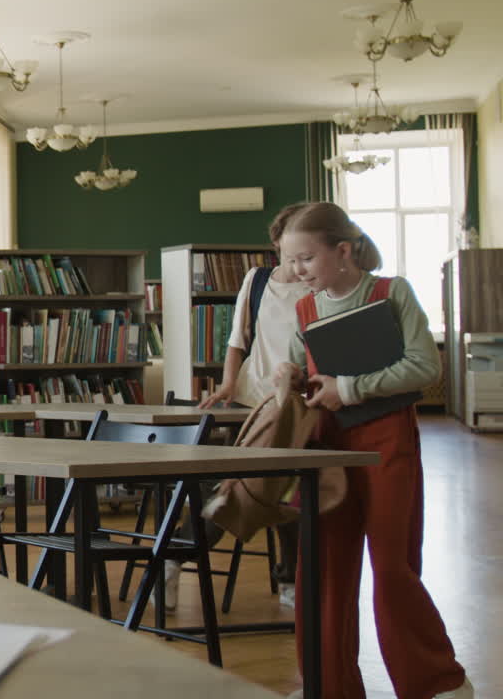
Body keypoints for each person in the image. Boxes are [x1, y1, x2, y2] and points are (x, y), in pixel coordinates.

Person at [273, 202, 470, 699]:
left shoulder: (391, 292)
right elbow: (304, 369)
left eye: (305, 259)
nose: (296, 271)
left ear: (343, 250)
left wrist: (351, 388)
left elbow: (426, 369)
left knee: (392, 565)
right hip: (327, 446)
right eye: (289, 261)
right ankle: (326, 685)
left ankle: (435, 684)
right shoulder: (305, 308)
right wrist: (289, 377)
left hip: (388, 442)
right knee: (323, 569)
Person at [164, 203, 313, 612]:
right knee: (239, 491)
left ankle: (289, 579)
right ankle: (175, 557)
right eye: (291, 248)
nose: (299, 261)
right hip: (253, 401)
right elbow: (237, 339)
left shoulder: (318, 285)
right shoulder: (258, 279)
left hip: (300, 404)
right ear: (278, 242)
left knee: (289, 497)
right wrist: (229, 382)